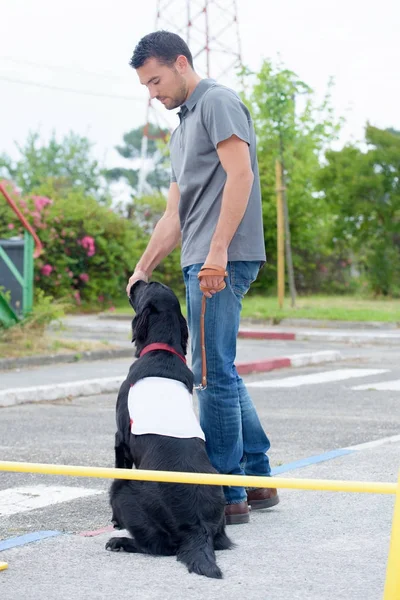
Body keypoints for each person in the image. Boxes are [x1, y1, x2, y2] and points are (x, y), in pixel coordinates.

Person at [126, 30, 279, 524]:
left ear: (181, 62)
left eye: (156, 80)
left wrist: (217, 253)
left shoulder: (218, 103)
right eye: (145, 86)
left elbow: (242, 176)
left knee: (212, 375)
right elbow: (174, 215)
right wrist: (143, 267)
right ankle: (257, 478)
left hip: (222, 260)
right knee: (219, 368)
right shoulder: (180, 131)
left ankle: (228, 492)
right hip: (200, 259)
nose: (153, 93)